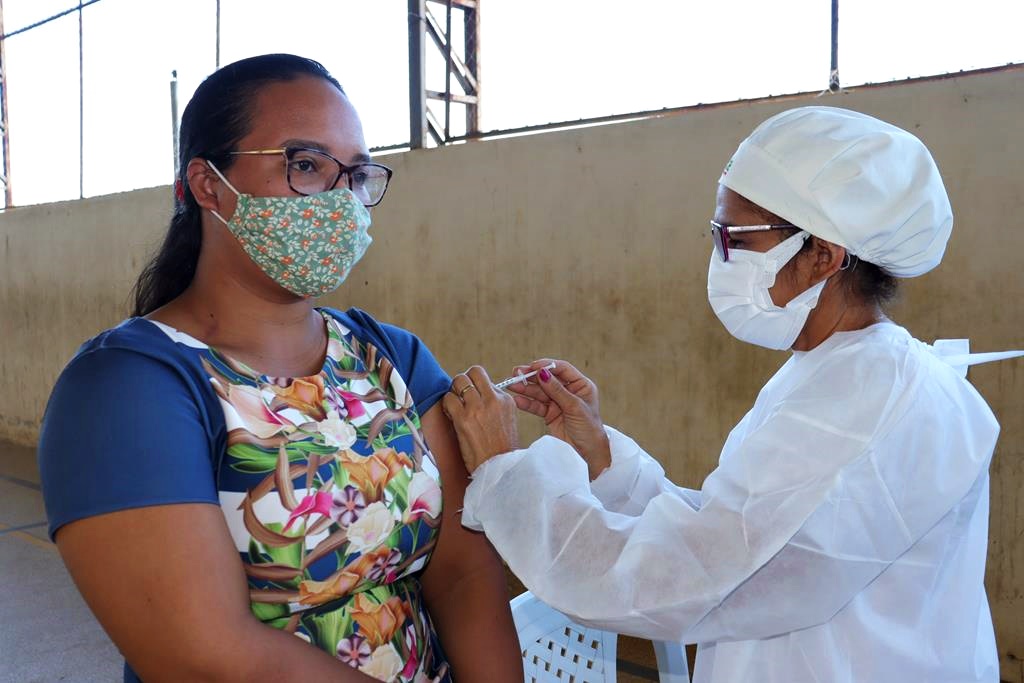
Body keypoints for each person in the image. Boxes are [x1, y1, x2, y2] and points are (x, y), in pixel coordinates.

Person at [443, 106, 1019, 682]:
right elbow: (743, 533)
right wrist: (601, 457)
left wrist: (507, 476)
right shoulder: (834, 372)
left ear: (822, 255)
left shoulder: (862, 398)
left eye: (734, 239)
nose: (719, 257)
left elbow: (689, 580)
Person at [38, 54, 521, 682]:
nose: (341, 201)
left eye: (355, 175)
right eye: (306, 165)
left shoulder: (390, 358)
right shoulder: (127, 390)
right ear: (208, 184)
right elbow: (206, 657)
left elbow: (463, 574)